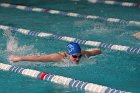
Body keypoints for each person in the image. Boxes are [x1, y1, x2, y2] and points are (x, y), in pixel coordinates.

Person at [9, 42, 101, 64]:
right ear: (69, 54)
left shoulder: (82, 53)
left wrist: (98, 51)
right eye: (75, 56)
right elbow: (38, 58)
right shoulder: (57, 57)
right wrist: (19, 58)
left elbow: (95, 52)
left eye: (79, 56)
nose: (78, 59)